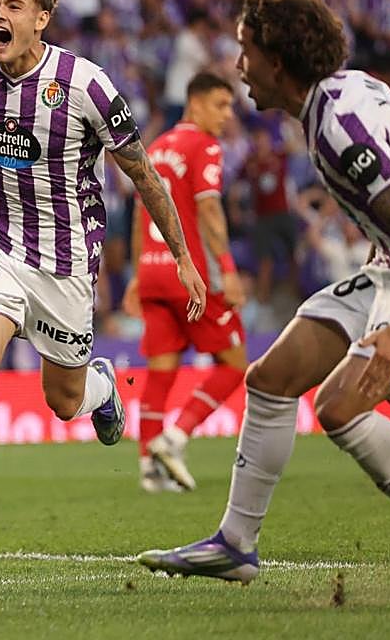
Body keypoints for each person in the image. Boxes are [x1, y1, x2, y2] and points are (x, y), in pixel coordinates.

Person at [137, 0, 390, 608]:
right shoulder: (342, 95)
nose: (239, 65)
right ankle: (236, 543)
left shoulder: (334, 127)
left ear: (277, 60)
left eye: (246, 51)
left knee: (338, 406)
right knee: (270, 378)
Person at [0, 0, 207, 562]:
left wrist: (182, 256)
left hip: (65, 262)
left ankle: (101, 389)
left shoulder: (86, 86)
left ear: (42, 19)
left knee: (62, 399)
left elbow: (144, 176)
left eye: (12, 6)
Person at [122, 71, 247, 493]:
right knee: (234, 365)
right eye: (220, 105)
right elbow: (209, 210)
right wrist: (227, 268)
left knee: (160, 371)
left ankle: (148, 470)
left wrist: (138, 276)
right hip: (191, 273)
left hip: (153, 272)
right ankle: (174, 439)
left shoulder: (155, 149)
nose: (227, 115)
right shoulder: (205, 146)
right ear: (195, 104)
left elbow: (143, 214)